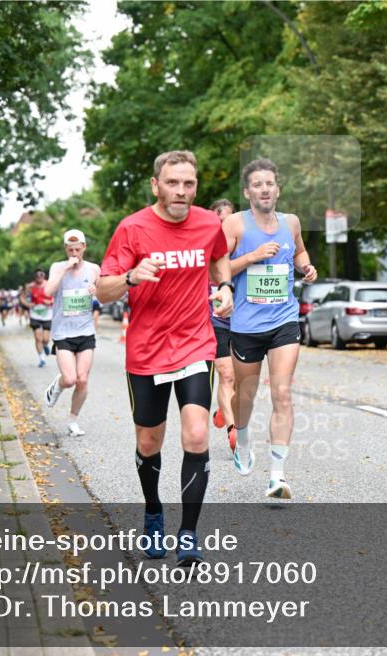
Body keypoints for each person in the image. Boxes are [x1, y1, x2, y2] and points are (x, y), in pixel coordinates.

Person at [96, 150, 233, 566]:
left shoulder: (209, 222)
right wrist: (130, 277)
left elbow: (219, 255)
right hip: (147, 351)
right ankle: (153, 511)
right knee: (149, 442)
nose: (181, 191)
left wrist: (224, 286)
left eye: (188, 183)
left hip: (195, 344)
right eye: (172, 183)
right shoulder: (132, 228)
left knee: (195, 436)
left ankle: (188, 534)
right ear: (156, 185)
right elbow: (102, 289)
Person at [222, 158, 317, 499]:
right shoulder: (234, 224)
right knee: (245, 395)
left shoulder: (291, 222)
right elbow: (216, 269)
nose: (265, 189)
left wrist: (305, 266)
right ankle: (242, 437)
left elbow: (300, 251)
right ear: (248, 191)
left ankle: (277, 476)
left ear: (278, 188)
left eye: (270, 184)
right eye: (257, 184)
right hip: (246, 324)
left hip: (284, 319)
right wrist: (252, 257)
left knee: (282, 393)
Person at [42, 230, 100, 437]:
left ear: (84, 247)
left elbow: (103, 294)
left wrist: (96, 291)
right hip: (63, 332)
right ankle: (56, 387)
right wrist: (65, 268)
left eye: (78, 248)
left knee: (82, 379)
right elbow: (48, 291)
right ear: (65, 249)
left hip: (85, 330)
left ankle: (73, 421)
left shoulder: (93, 269)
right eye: (70, 249)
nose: (74, 252)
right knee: (69, 379)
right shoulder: (57, 267)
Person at [208, 198, 238, 450]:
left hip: (242, 322)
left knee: (240, 380)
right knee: (226, 375)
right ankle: (232, 431)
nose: (223, 226)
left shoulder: (241, 244)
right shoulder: (206, 246)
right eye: (219, 221)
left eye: (227, 221)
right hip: (215, 319)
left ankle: (223, 409)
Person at [21, 268, 54, 368]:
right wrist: (28, 304)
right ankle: (41, 358)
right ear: (34, 277)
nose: (39, 278)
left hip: (47, 314)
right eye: (37, 276)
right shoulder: (30, 286)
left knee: (45, 339)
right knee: (37, 337)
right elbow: (22, 297)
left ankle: (45, 345)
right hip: (35, 314)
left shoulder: (50, 284)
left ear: (44, 276)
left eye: (41, 275)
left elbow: (56, 296)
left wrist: (50, 302)